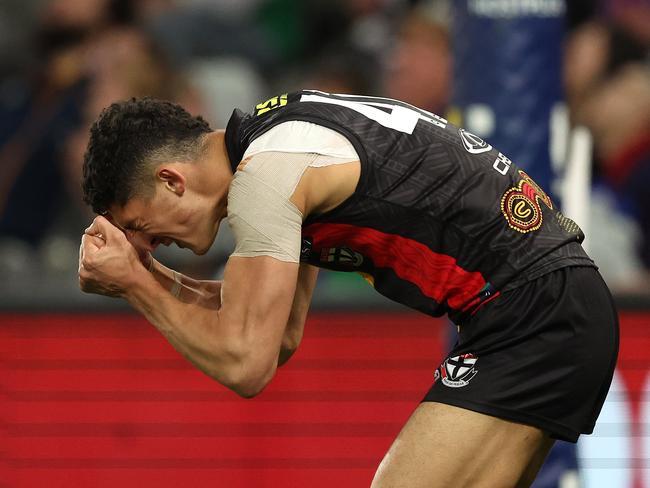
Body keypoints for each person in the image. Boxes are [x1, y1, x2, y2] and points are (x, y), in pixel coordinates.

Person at [78, 91, 618, 487]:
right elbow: (276, 334)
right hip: (549, 305)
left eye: (139, 225)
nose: (148, 244)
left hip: (533, 313)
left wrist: (135, 284)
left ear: (172, 180)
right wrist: (144, 276)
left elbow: (246, 362)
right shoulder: (274, 144)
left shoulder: (266, 179)